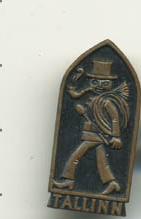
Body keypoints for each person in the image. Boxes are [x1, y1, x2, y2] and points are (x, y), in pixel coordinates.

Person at [53, 59, 130, 195]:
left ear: (111, 84)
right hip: (91, 134)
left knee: (76, 155)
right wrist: (75, 81)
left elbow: (115, 118)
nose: (99, 86)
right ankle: (112, 183)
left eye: (104, 83)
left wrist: (116, 136)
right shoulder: (93, 97)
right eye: (95, 82)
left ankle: (68, 180)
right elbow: (73, 94)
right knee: (101, 161)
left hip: (96, 135)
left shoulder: (105, 102)